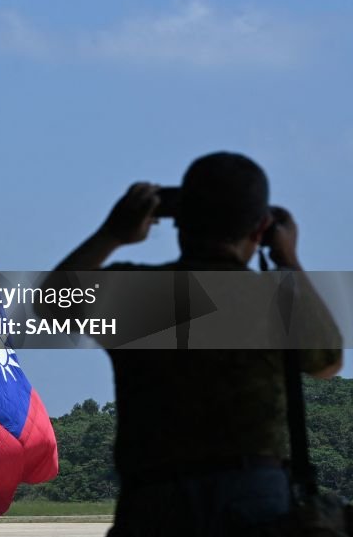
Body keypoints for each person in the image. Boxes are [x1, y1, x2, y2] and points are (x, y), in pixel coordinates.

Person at [50, 152, 342, 537]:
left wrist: (113, 233)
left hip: (155, 497)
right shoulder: (272, 300)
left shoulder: (139, 296)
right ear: (260, 230)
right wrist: (289, 259)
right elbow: (327, 360)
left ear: (178, 219)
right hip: (253, 491)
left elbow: (53, 302)